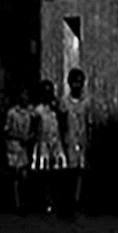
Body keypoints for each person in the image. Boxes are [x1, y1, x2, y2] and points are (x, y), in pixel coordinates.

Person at [29, 81, 65, 213]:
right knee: (44, 174)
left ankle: (56, 200)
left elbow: (62, 122)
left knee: (56, 173)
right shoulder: (37, 110)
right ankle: (44, 200)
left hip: (55, 143)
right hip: (43, 143)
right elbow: (34, 126)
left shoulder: (55, 109)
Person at [59, 69, 88, 214]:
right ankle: (68, 199)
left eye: (80, 82)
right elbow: (62, 122)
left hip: (82, 139)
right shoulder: (64, 102)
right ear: (70, 83)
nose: (78, 85)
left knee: (80, 171)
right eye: (75, 82)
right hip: (69, 139)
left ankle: (77, 199)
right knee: (69, 171)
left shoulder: (86, 102)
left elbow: (88, 122)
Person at [3, 87, 33, 212]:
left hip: (24, 147)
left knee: (23, 175)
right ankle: (17, 203)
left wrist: (29, 137)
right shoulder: (12, 113)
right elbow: (7, 131)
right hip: (14, 145)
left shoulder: (29, 113)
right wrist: (18, 137)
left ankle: (23, 201)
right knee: (16, 175)